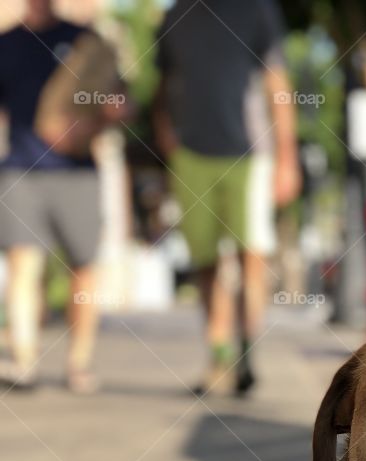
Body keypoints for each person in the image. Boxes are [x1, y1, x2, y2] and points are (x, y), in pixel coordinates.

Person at [154, 0, 301, 396]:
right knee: (204, 262)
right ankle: (218, 356)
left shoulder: (257, 10)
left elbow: (277, 83)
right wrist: (166, 134)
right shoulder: (173, 16)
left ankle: (246, 352)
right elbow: (163, 84)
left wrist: (287, 157)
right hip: (190, 157)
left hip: (250, 155)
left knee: (251, 257)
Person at [0, 0, 125, 392]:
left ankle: (78, 363)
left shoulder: (85, 41)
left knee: (84, 269)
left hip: (77, 171)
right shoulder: (6, 44)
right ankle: (24, 360)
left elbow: (121, 99)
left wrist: (99, 116)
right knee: (23, 265)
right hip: (20, 169)